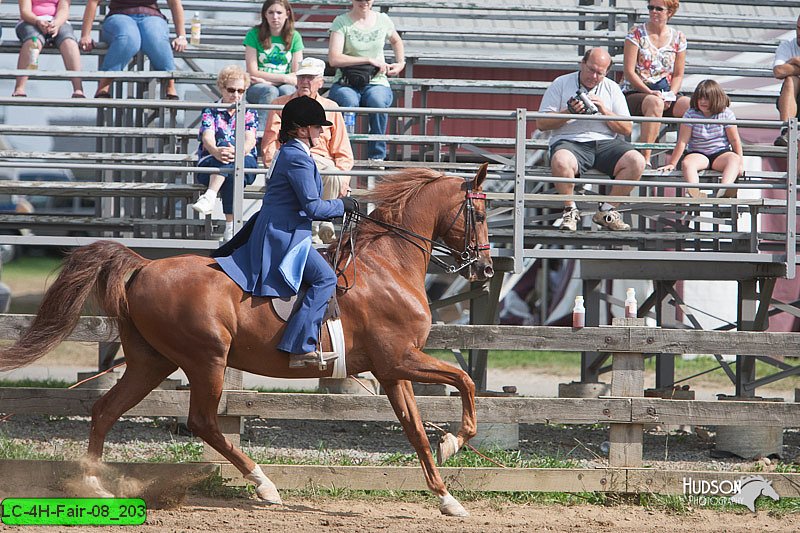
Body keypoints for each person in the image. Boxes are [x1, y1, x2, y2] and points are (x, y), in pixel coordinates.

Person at [215, 96, 358, 369]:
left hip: (281, 227)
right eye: (317, 127)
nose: (322, 131)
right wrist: (342, 204)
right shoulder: (298, 159)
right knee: (325, 278)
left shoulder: (289, 152)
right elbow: (313, 206)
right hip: (284, 235)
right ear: (302, 129)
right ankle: (299, 347)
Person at [538, 48, 645, 232]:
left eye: (600, 73)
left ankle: (607, 211)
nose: (594, 76)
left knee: (637, 161)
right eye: (591, 70)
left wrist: (604, 111)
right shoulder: (561, 83)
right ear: (582, 64)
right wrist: (568, 113)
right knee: (560, 160)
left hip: (606, 144)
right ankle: (570, 210)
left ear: (607, 72)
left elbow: (627, 128)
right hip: (570, 142)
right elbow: (542, 123)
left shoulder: (611, 87)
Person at [262, 57, 354, 244]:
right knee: (319, 170)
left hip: (323, 163)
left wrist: (343, 181)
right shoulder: (280, 104)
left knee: (332, 171)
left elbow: (343, 151)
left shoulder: (331, 107)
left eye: (310, 77)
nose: (305, 81)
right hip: (292, 161)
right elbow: (270, 143)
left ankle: (320, 221)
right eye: (302, 77)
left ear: (321, 81)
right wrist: (274, 167)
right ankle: (322, 219)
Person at [327, 0, 405, 162]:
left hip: (377, 80)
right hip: (346, 81)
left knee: (377, 101)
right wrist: (368, 59)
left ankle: (377, 157)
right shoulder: (341, 21)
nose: (364, 2)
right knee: (347, 101)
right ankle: (344, 153)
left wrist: (401, 63)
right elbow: (334, 59)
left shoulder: (383, 19)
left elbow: (396, 40)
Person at [191, 65, 259, 242]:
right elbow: (207, 137)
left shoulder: (249, 111)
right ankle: (231, 227)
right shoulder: (210, 110)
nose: (236, 95)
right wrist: (216, 151)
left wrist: (237, 153)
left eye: (240, 91)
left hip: (244, 161)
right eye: (231, 90)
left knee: (233, 167)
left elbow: (250, 141)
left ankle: (210, 196)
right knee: (229, 169)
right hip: (212, 161)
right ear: (222, 87)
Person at [619, 0, 690, 166]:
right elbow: (629, 72)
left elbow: (678, 74)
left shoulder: (678, 37)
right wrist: (650, 92)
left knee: (691, 106)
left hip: (664, 91)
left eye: (659, 8)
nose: (653, 12)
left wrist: (671, 95)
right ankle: (646, 157)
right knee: (655, 103)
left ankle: (686, 157)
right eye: (650, 7)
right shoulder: (636, 33)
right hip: (636, 91)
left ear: (669, 12)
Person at [80, 0, 187, 99]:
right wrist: (85, 35)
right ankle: (104, 85)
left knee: (155, 37)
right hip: (120, 14)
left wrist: (181, 36)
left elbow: (175, 3)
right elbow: (93, 2)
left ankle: (170, 85)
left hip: (151, 15)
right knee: (128, 38)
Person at [657, 79, 743, 199]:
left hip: (720, 153)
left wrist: (740, 163)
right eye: (700, 98)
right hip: (698, 153)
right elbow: (682, 141)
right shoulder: (690, 114)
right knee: (687, 163)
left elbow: (734, 140)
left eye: (707, 98)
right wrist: (672, 163)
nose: (703, 102)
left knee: (734, 159)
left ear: (716, 98)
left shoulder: (726, 113)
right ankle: (694, 192)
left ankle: (724, 190)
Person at [244, 0, 303, 129]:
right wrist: (283, 78)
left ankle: (287, 134)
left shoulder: (295, 36)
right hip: (258, 87)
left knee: (286, 91)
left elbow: (297, 73)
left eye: (279, 12)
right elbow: (253, 72)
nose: (275, 17)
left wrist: (270, 81)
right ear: (265, 14)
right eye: (270, 12)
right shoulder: (253, 34)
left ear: (287, 14)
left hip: (276, 84)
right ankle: (261, 136)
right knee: (270, 92)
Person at [13, 0, 85, 98]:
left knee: (69, 42)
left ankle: (78, 88)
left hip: (58, 22)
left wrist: (57, 23)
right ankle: (20, 87)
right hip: (30, 21)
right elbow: (25, 11)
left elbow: (64, 9)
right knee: (33, 42)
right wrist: (38, 21)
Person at [772, 14, 800, 146]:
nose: (799, 33)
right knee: (790, 80)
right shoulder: (787, 45)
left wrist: (793, 61)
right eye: (798, 28)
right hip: (794, 98)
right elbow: (778, 71)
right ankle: (787, 132)